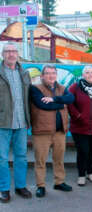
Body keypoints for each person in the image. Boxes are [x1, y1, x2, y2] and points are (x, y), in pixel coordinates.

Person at [30, 65, 74, 198]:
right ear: (42, 75)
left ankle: (59, 182)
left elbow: (71, 99)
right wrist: (61, 103)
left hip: (59, 131)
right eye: (48, 73)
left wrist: (54, 99)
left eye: (53, 73)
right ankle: (40, 186)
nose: (51, 76)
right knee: (40, 161)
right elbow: (42, 104)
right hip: (42, 131)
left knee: (59, 159)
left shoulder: (62, 88)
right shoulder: (35, 88)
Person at [0, 43, 32, 203]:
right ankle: (4, 189)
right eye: (8, 51)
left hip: (21, 123)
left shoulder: (24, 73)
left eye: (13, 51)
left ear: (17, 54)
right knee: (2, 158)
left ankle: (20, 186)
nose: (11, 54)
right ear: (2, 54)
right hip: (2, 123)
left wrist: (28, 118)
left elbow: (29, 97)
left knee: (21, 156)